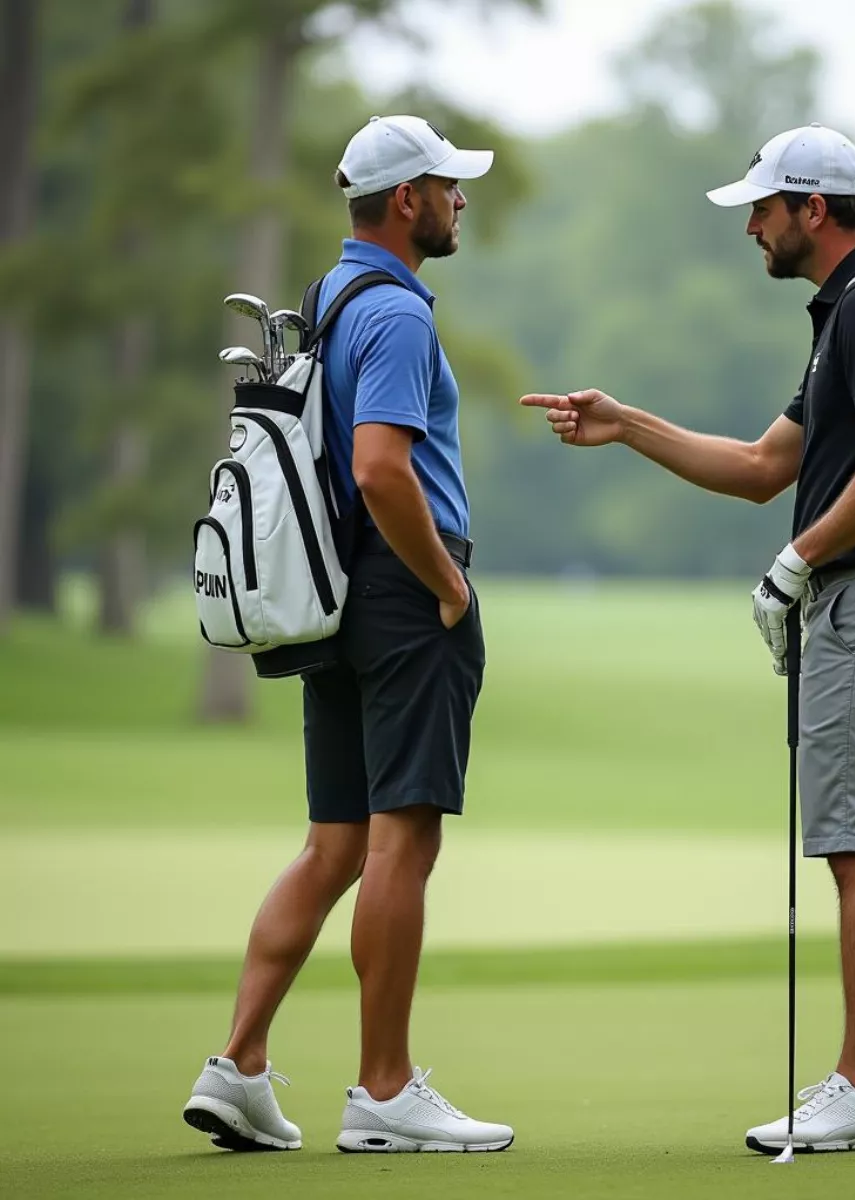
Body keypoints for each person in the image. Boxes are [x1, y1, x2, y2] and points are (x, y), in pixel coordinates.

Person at [521, 124, 855, 1154]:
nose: (753, 226)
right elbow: (765, 464)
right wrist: (628, 423)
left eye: (763, 209)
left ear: (814, 210)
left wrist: (797, 560)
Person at [183, 115, 512, 1155]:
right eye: (447, 186)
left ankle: (236, 1067)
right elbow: (380, 467)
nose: (461, 199)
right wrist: (447, 583)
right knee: (400, 843)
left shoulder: (329, 299)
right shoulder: (401, 318)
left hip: (330, 596)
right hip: (402, 594)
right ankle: (384, 1089)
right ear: (405, 200)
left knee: (334, 845)